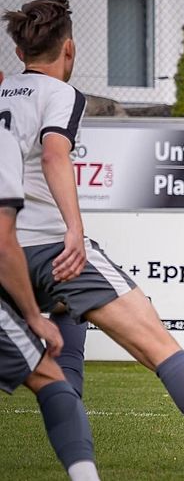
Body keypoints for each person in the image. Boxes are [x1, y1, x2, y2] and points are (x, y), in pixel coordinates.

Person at [0, 0, 184, 475]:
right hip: (54, 250)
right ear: (70, 50)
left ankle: (80, 467)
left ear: (18, 53)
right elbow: (55, 155)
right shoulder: (61, 95)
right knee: (161, 349)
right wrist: (75, 231)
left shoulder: (4, 91)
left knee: (62, 367)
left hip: (7, 254)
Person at [1, 82, 100, 480]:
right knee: (48, 377)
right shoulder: (14, 140)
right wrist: (31, 314)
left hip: (38, 244)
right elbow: (4, 241)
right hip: (38, 244)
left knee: (67, 308)